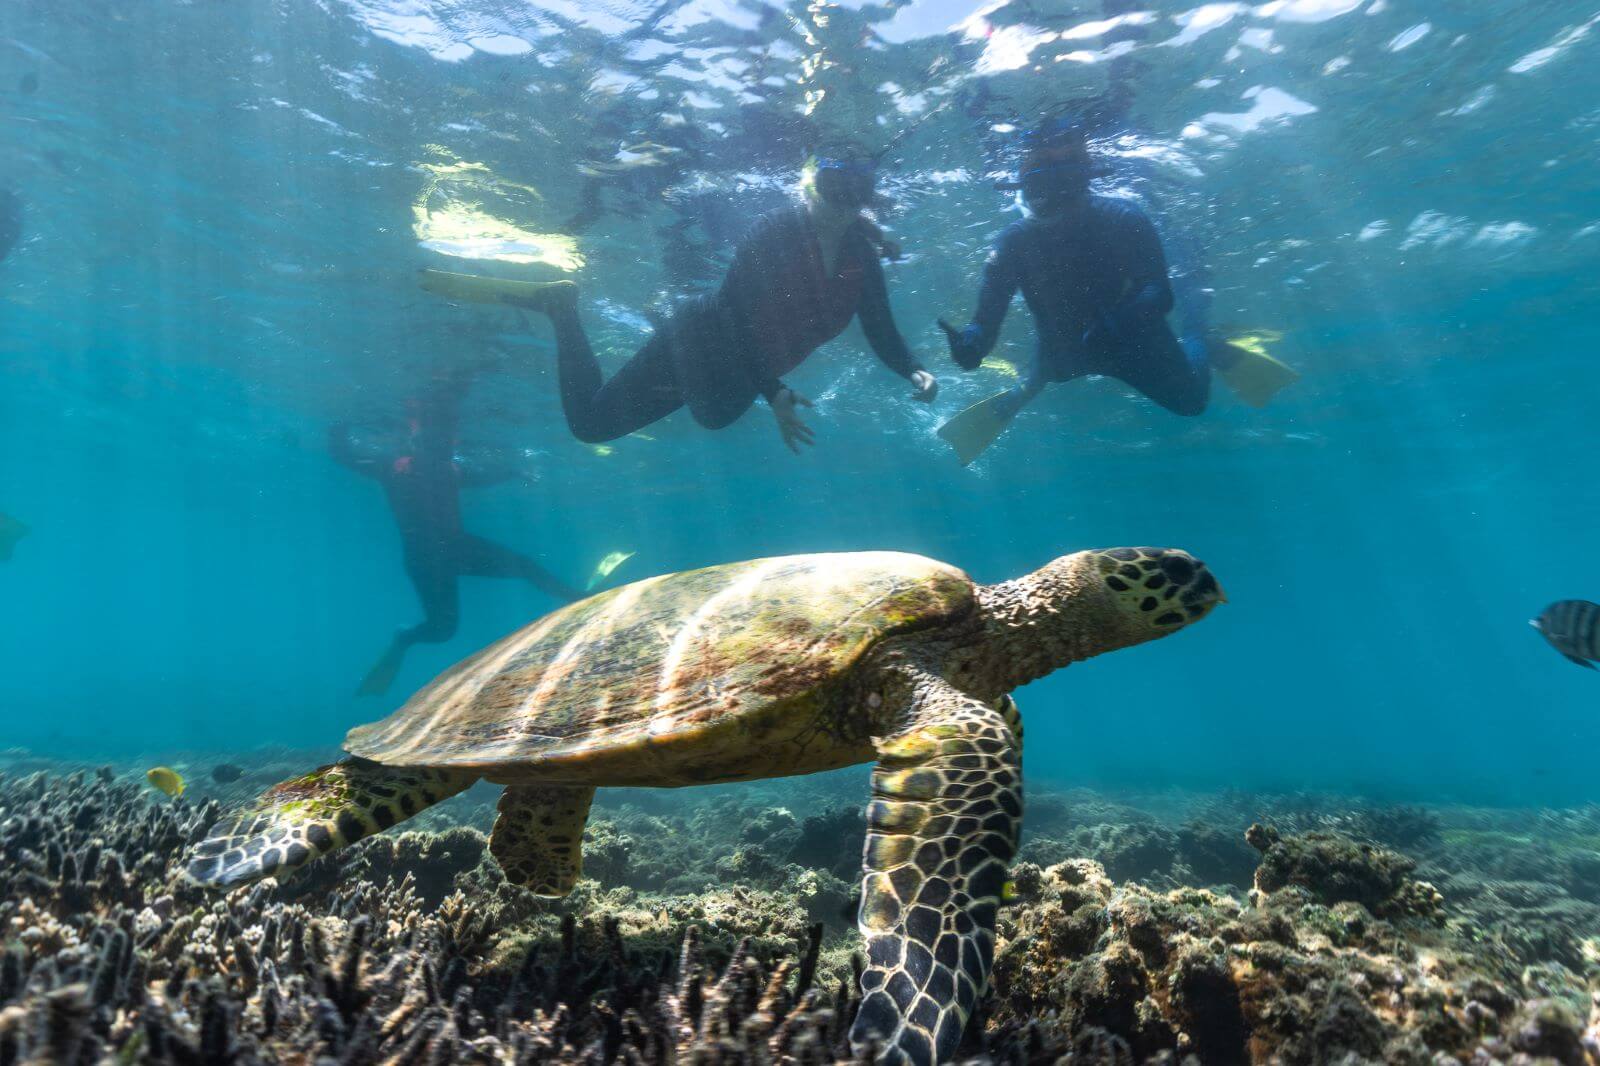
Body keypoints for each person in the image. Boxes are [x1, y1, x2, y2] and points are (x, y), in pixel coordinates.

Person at [424, 150, 937, 452]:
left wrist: (912, 369)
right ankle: (562, 308)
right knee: (591, 427)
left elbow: (880, 327)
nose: (841, 204)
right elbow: (734, 318)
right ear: (810, 187)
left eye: (856, 193)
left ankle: (649, 331)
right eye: (832, 187)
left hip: (739, 366)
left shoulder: (861, 259)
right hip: (701, 338)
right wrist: (774, 389)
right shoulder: (776, 233)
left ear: (866, 199)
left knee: (714, 417)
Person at [935, 117, 1297, 464]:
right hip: (1066, 346)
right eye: (1043, 186)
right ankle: (1025, 390)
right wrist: (973, 344)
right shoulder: (1015, 241)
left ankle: (1199, 335)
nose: (1053, 200)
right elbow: (988, 315)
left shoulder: (1121, 218)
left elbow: (1159, 292)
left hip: (1132, 341)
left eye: (1060, 186)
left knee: (1192, 403)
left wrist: (1114, 326)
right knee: (1040, 377)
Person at [330, 364, 582, 696]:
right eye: (443, 438)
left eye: (448, 440)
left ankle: (584, 602)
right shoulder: (394, 468)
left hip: (456, 548)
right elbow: (343, 454)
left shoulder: (448, 470)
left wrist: (515, 469)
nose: (450, 442)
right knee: (443, 630)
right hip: (424, 560)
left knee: (527, 568)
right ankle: (404, 638)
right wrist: (339, 424)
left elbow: (484, 474)